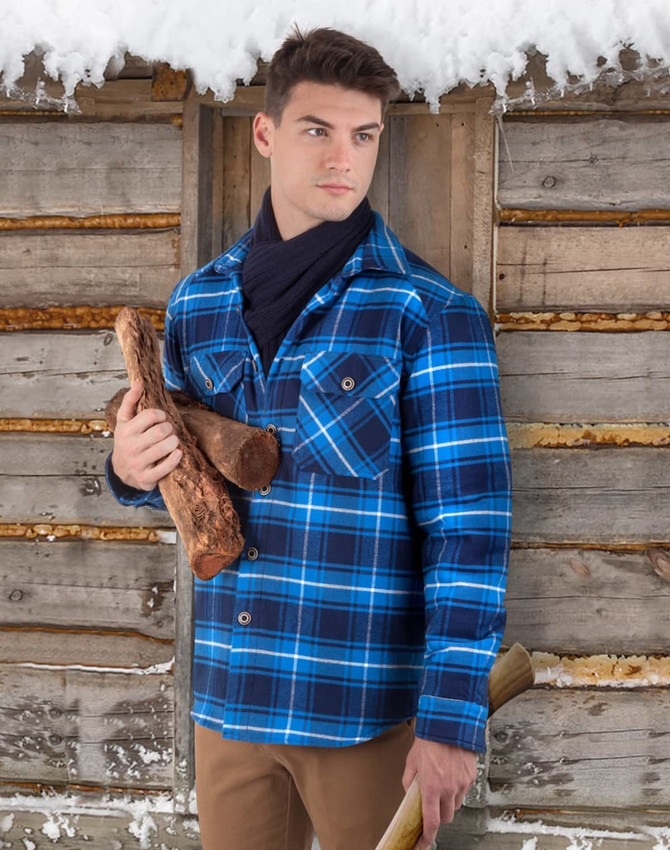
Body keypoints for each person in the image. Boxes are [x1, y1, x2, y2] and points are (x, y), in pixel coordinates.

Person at [107, 26, 511, 850]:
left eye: (363, 136)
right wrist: (127, 469)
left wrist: (451, 721)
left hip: (361, 715)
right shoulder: (198, 305)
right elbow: (180, 477)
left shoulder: (428, 313)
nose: (343, 158)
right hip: (230, 705)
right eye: (317, 130)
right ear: (265, 134)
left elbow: (470, 527)